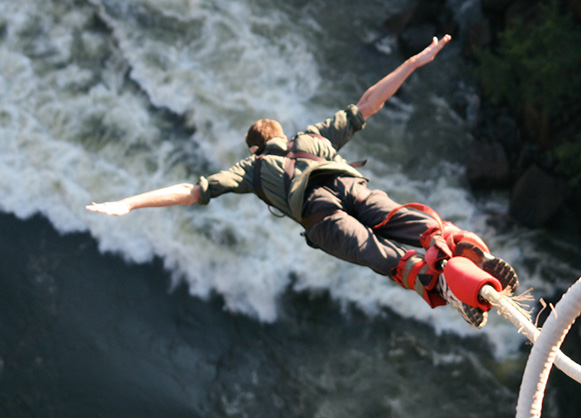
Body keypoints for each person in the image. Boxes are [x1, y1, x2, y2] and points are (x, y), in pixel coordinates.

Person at [86, 35, 518, 328]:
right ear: (281, 132)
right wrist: (413, 62)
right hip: (353, 188)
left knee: (391, 260)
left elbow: (194, 191)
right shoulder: (311, 137)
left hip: (322, 217)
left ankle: (443, 284)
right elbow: (371, 103)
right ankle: (462, 249)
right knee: (421, 226)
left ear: (256, 148)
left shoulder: (252, 170)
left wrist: (129, 203)